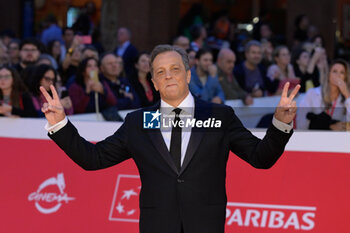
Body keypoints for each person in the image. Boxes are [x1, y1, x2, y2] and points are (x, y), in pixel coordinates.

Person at [40, 44, 299, 233]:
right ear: (153, 82)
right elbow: (93, 159)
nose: (168, 75)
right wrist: (60, 125)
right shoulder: (138, 122)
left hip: (206, 225)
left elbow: (261, 158)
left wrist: (280, 124)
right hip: (157, 225)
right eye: (160, 72)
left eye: (175, 69)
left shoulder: (220, 116)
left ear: (188, 75)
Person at [296, 59, 350, 130]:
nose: (338, 75)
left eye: (342, 72)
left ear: (345, 77)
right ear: (328, 74)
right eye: (334, 71)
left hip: (337, 138)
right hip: (313, 137)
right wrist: (329, 126)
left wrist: (347, 95)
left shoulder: (346, 98)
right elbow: (301, 121)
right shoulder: (313, 93)